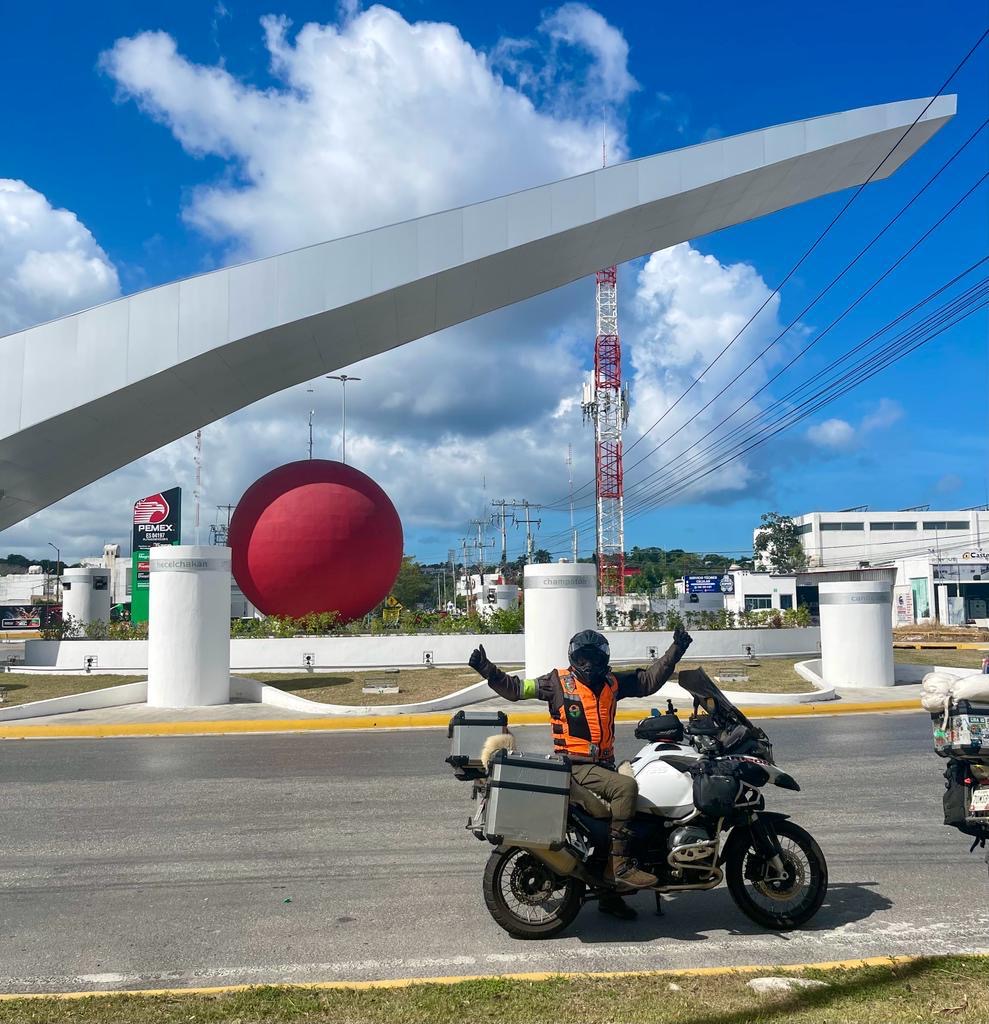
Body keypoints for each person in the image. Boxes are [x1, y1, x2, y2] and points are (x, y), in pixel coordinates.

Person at [468, 624, 693, 920]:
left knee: (638, 795)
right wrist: (487, 669)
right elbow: (516, 689)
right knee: (626, 789)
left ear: (604, 659)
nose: (589, 664)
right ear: (574, 658)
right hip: (576, 767)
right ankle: (620, 866)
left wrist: (676, 650)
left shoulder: (613, 682)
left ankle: (610, 897)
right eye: (583, 658)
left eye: (594, 658)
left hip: (602, 765)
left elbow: (649, 681)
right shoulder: (556, 683)